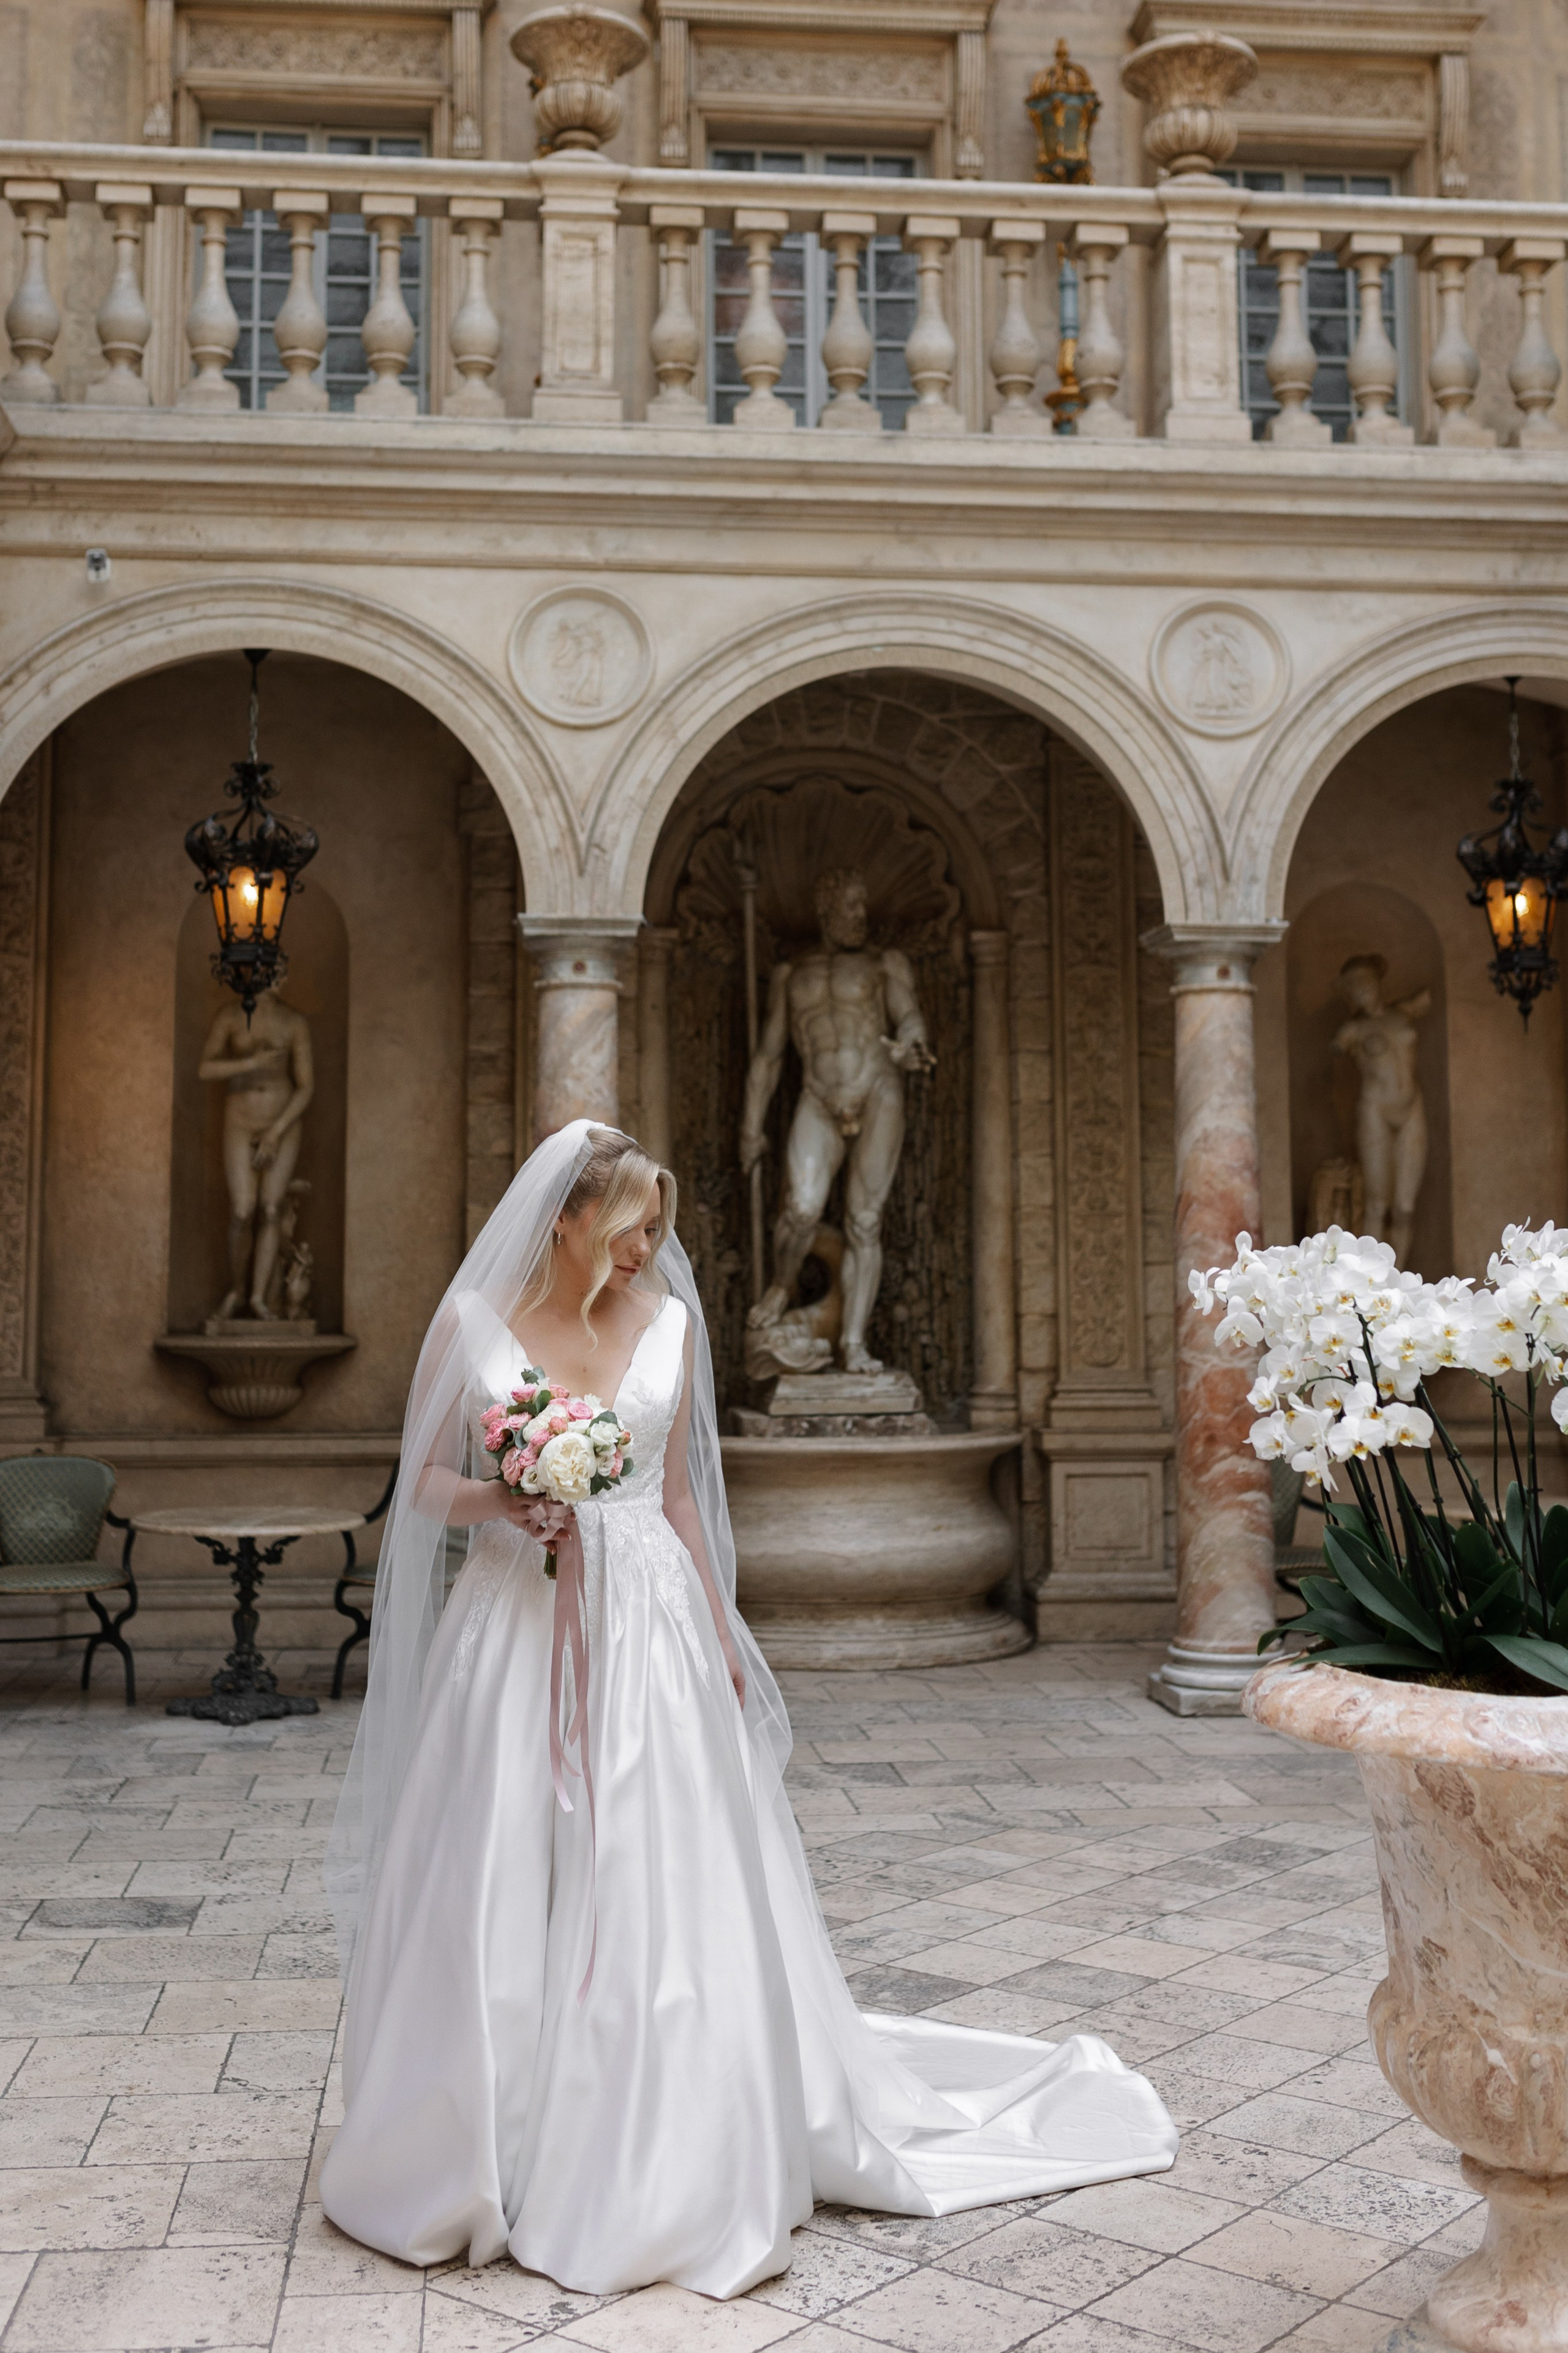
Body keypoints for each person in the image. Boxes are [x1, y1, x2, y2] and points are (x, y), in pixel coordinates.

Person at [321, 1122, 1177, 2298]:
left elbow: (674, 1494)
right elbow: (417, 1480)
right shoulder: (473, 1327)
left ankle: (660, 2148)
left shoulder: (671, 1325)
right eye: (628, 1232)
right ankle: (479, 2142)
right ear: (565, 1219)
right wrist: (506, 1497)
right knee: (499, 1860)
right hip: (515, 1626)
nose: (646, 1255)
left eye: (658, 1232)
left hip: (653, 1630)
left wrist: (720, 1633)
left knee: (657, 1871)